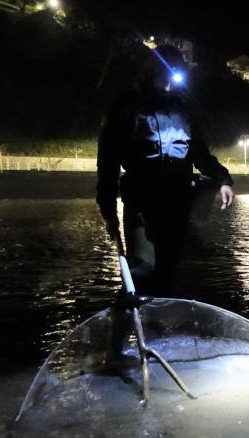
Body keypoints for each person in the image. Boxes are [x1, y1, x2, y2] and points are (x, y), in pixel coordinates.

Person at [96, 44, 234, 296]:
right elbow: (108, 160)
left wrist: (223, 179)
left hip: (178, 203)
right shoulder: (127, 105)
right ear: (152, 70)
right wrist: (107, 208)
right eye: (166, 72)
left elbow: (199, 153)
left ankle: (163, 328)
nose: (172, 80)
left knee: (170, 272)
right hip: (141, 204)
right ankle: (131, 326)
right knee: (142, 271)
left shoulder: (185, 108)